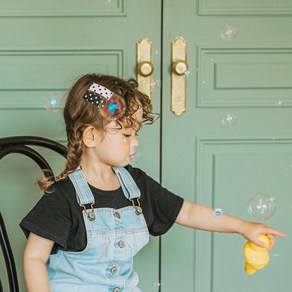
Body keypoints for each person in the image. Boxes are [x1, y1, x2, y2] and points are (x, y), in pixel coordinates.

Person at [20, 73, 285, 292]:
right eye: (125, 133)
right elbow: (35, 257)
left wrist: (243, 226)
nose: (134, 142)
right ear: (91, 136)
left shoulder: (136, 185)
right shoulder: (64, 196)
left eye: (136, 133)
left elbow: (190, 211)